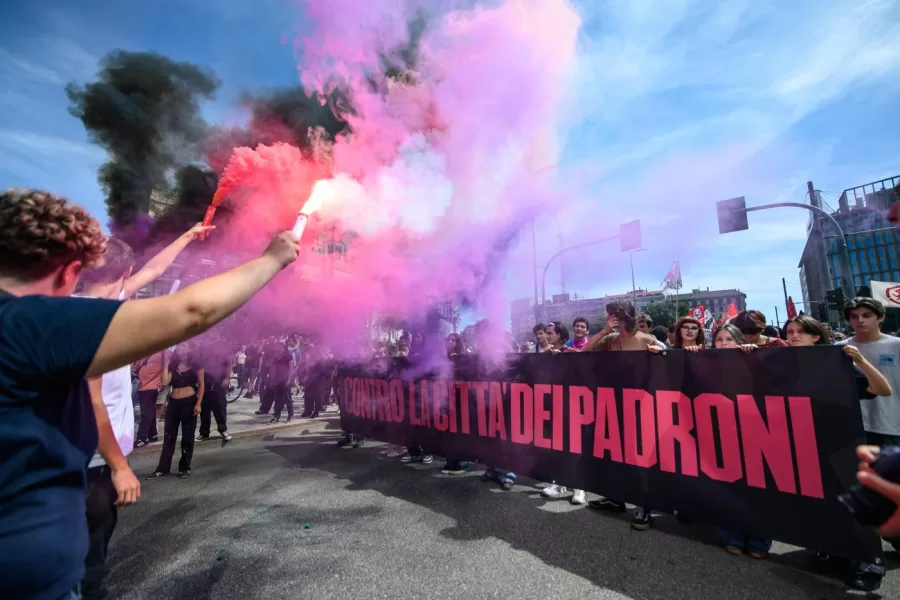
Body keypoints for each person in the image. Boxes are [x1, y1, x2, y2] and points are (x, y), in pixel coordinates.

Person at [0, 188, 300, 600]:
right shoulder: (32, 323)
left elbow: (150, 275)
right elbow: (190, 311)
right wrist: (271, 259)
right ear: (68, 270)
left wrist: (186, 236)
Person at [76, 223, 210, 600]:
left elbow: (152, 271)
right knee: (89, 560)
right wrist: (119, 467)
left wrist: (185, 236)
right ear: (123, 275)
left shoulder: (69, 309)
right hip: (94, 462)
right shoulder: (102, 321)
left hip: (64, 454)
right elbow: (92, 399)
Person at [147, 351, 204, 478]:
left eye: (184, 345)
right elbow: (165, 382)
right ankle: (163, 468)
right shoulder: (174, 365)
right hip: (173, 403)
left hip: (189, 403)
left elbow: (201, 385)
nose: (181, 348)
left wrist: (198, 403)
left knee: (187, 436)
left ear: (190, 348)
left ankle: (185, 467)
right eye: (180, 346)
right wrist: (166, 363)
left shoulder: (196, 365)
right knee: (169, 436)